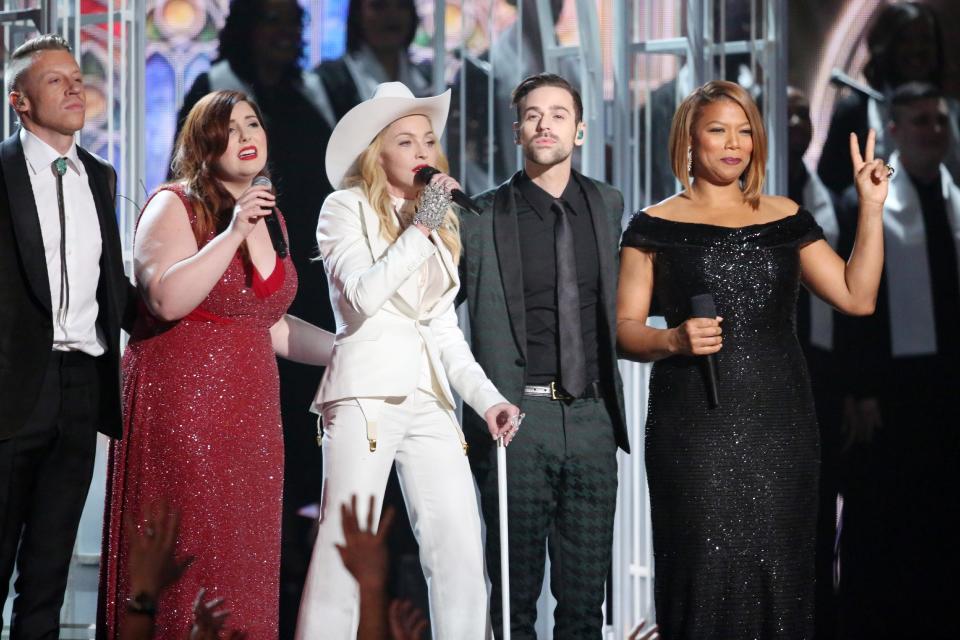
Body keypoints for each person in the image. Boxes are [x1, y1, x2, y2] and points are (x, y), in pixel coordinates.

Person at [616, 80, 887, 639]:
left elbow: (857, 296)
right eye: (718, 130)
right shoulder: (653, 226)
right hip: (693, 433)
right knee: (702, 573)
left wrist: (871, 208)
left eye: (744, 131)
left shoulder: (784, 216)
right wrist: (674, 341)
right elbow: (623, 331)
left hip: (781, 428)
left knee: (781, 580)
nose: (733, 143)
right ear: (690, 139)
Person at [98, 90, 333, 638]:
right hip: (185, 407)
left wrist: (349, 351)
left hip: (251, 416)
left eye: (253, 123)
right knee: (192, 556)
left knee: (240, 559)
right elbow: (165, 300)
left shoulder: (265, 216)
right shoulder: (174, 204)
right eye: (229, 130)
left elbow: (267, 323)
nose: (246, 136)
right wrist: (232, 235)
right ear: (203, 146)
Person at [295, 81, 519, 640]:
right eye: (406, 141)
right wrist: (421, 225)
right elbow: (366, 296)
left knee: (461, 545)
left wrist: (486, 398)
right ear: (377, 150)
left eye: (428, 140)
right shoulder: (343, 209)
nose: (422, 152)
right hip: (365, 395)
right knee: (346, 543)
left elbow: (441, 327)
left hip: (432, 399)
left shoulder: (439, 222)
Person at [174, 8, 339, 627]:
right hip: (222, 318)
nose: (284, 33)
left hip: (299, 299)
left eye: (291, 21)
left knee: (294, 479)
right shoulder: (212, 89)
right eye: (269, 20)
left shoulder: (308, 96)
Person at [458, 72, 629, 638]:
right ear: (517, 130)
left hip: (591, 419)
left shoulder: (607, 204)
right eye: (533, 114)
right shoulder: (480, 217)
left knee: (585, 605)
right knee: (513, 602)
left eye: (558, 114)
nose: (545, 124)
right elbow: (429, 304)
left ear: (579, 130)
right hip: (516, 421)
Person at [0, 34, 135, 638]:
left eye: (77, 76)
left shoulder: (100, 177)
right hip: (10, 387)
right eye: (55, 80)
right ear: (19, 101)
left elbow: (117, 290)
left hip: (81, 386)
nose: (75, 87)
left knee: (48, 572)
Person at [836, 82, 960, 640]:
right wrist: (859, 389)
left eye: (939, 120)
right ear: (892, 132)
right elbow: (852, 305)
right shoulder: (866, 205)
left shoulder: (957, 199)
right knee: (887, 524)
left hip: (949, 391)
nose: (933, 131)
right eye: (920, 121)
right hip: (893, 392)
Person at [787, 85, 850, 640]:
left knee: (822, 502)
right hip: (768, 381)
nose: (792, 122)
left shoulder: (832, 197)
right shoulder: (748, 199)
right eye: (779, 113)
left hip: (824, 378)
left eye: (801, 112)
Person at [817, 1, 960, 195]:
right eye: (906, 40)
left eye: (926, 39)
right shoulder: (855, 112)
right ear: (885, 45)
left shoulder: (953, 111)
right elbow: (830, 187)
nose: (917, 49)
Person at [316, 0, 431, 121]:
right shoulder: (330, 81)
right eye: (379, 6)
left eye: (402, 5)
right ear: (358, 14)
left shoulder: (428, 80)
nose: (392, 15)